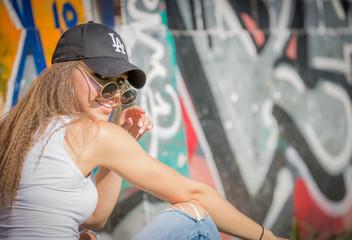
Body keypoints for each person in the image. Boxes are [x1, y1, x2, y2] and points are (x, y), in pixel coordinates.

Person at [0, 21, 285, 240]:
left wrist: (121, 141)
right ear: (63, 74)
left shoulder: (12, 132)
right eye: (103, 79)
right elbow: (195, 193)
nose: (113, 96)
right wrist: (267, 236)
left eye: (121, 85)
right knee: (193, 218)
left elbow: (96, 217)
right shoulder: (91, 133)